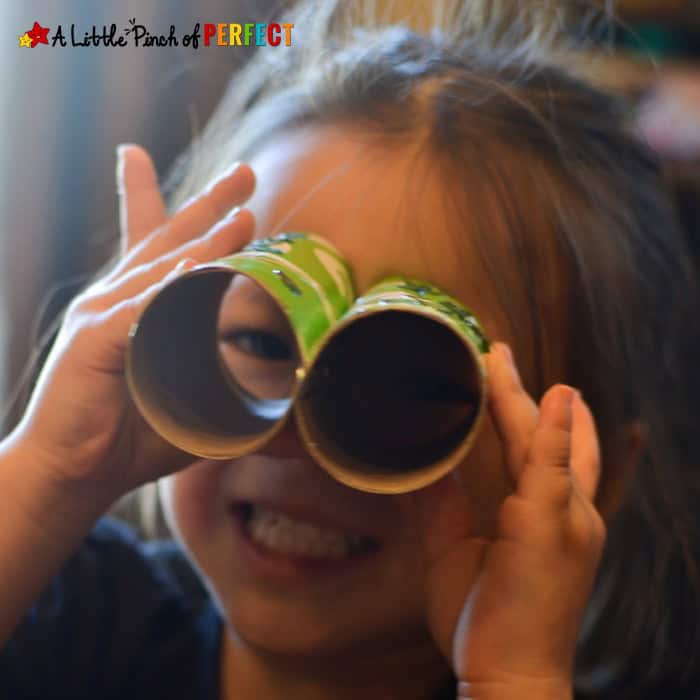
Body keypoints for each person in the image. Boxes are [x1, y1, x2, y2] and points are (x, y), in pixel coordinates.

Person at [0, 1, 698, 698]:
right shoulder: (66, 609)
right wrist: (49, 475)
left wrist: (512, 679)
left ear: (594, 471)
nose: (304, 430)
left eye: (420, 384)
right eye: (261, 342)